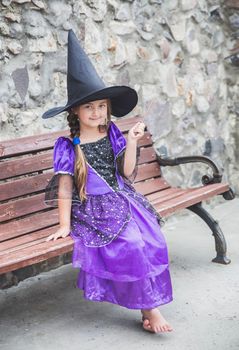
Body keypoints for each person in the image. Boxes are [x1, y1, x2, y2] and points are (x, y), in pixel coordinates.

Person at [42, 30, 173, 334]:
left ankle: (147, 304)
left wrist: (132, 142)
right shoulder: (67, 145)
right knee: (131, 244)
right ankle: (150, 309)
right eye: (89, 107)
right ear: (75, 110)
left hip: (122, 198)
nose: (96, 112)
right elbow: (65, 187)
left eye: (101, 106)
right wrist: (64, 224)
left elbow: (126, 174)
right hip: (93, 208)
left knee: (152, 240)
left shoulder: (112, 133)